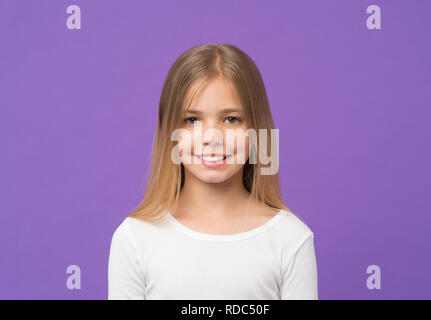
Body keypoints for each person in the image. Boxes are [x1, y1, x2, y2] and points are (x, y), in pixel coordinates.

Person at [108, 43, 318, 300]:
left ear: (257, 130)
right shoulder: (134, 239)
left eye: (231, 119)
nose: (212, 138)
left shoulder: (291, 239)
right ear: (170, 133)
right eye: (192, 120)